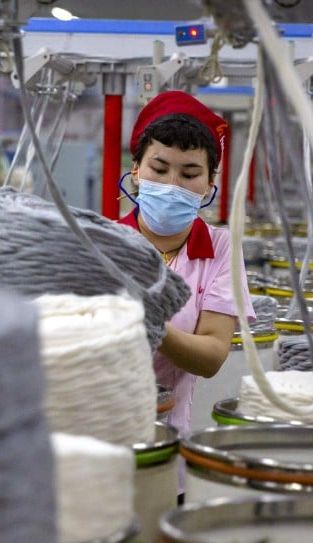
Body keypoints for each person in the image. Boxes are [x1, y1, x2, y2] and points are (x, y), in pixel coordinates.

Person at [118, 90, 255, 499]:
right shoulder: (104, 242)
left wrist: (145, 319)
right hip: (94, 443)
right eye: (159, 168)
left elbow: (212, 356)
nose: (172, 184)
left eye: (190, 173)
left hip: (165, 448)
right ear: (137, 170)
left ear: (210, 183)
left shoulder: (221, 249)